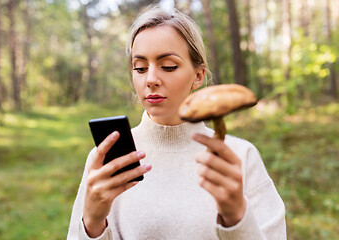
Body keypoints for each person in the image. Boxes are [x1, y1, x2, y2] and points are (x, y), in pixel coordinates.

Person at [67, 6, 286, 240]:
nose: (150, 79)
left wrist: (236, 218)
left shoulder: (240, 156)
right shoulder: (108, 159)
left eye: (168, 66)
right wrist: (92, 223)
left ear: (198, 75)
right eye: (140, 68)